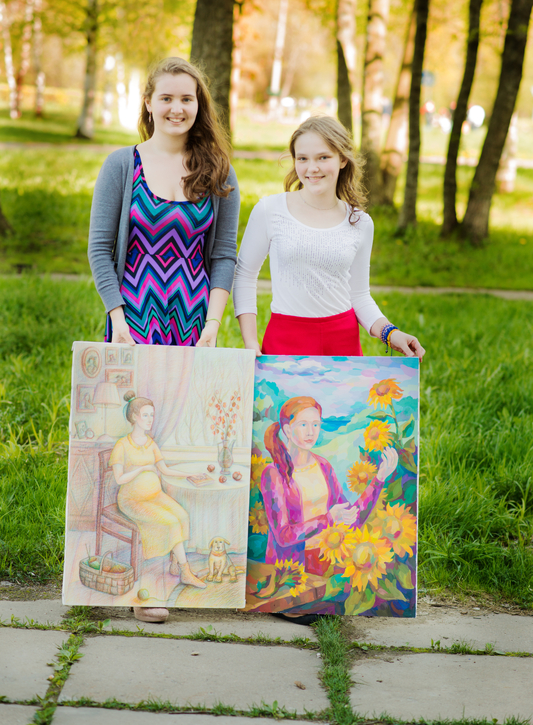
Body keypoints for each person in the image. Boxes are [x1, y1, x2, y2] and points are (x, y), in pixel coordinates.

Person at [88, 56, 240, 621]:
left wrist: (212, 325)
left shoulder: (218, 171)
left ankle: (173, 571)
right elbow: (99, 248)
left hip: (193, 324)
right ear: (149, 103)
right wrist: (117, 317)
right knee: (137, 441)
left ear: (200, 106)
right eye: (168, 98)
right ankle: (141, 588)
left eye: (188, 99)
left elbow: (223, 255)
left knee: (171, 443)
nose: (178, 108)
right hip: (133, 320)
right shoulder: (122, 165)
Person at [233, 115, 425, 361]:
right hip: (285, 339)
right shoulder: (270, 210)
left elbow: (359, 296)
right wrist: (250, 342)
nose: (312, 168)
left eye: (323, 157)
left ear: (342, 159)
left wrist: (391, 333)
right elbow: (245, 275)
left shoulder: (360, 222)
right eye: (302, 158)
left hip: (342, 343)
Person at [262, 396, 397, 569]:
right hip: (291, 568)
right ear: (288, 430)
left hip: (328, 560)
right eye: (303, 424)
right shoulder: (274, 474)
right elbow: (283, 536)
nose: (311, 432)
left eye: (315, 424)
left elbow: (351, 519)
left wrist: (379, 479)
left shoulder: (323, 466)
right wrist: (329, 519)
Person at [110, 392, 206, 622]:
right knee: (170, 522)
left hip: (155, 496)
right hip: (132, 500)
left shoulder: (151, 443)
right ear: (134, 417)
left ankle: (176, 563)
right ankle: (185, 571)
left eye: (152, 415)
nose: (150, 419)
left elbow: (165, 470)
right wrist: (142, 469)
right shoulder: (122, 445)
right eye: (145, 415)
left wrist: (189, 475)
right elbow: (119, 479)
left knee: (182, 516)